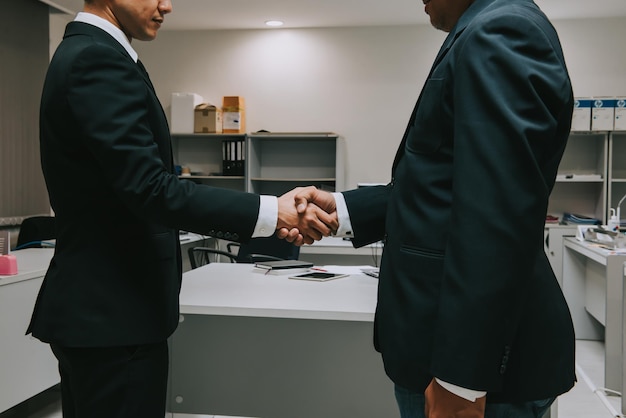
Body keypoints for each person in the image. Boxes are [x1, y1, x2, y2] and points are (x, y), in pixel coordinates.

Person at [27, 1, 334, 417]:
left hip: (108, 313)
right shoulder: (96, 58)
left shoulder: (94, 53)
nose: (166, 5)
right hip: (113, 314)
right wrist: (270, 212)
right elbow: (150, 188)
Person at [284, 0, 576, 416]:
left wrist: (462, 380)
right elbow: (445, 189)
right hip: (443, 355)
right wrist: (344, 209)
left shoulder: (501, 31)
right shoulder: (483, 29)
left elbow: (496, 215)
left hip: (474, 374)